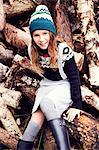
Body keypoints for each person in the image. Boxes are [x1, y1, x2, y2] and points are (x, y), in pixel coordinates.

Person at [17, 4, 82, 150]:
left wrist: (77, 105)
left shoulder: (63, 50)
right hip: (47, 84)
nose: (41, 39)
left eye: (45, 33)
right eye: (37, 35)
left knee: (46, 102)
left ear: (51, 33)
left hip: (64, 84)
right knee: (36, 115)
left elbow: (74, 77)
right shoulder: (31, 49)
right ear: (32, 36)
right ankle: (23, 146)